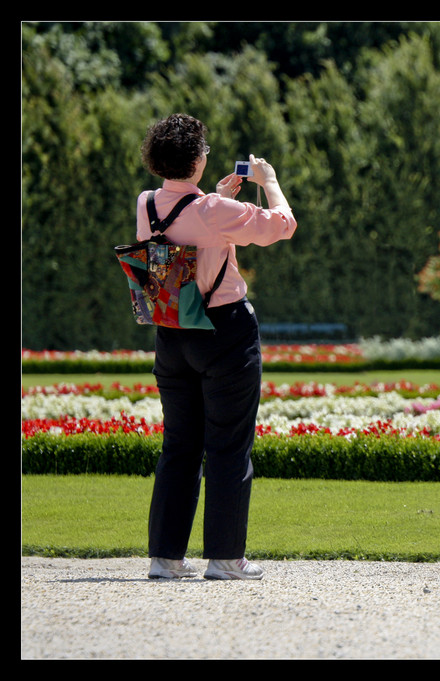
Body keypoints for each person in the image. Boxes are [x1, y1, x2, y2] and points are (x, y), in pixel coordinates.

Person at [139, 113, 297, 580]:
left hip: (171, 334)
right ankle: (226, 557)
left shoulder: (146, 202)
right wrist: (269, 183)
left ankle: (165, 558)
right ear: (196, 160)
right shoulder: (212, 210)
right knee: (228, 445)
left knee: (179, 446)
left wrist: (218, 201)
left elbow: (186, 234)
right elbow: (281, 226)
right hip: (224, 332)